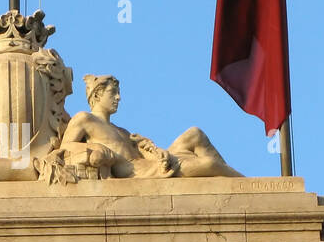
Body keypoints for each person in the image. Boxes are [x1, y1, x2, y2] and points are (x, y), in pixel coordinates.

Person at [55, 74, 241, 179]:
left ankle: (237, 183)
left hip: (154, 163)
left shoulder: (122, 131)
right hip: (140, 173)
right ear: (96, 96)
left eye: (118, 93)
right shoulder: (84, 119)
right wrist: (97, 148)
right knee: (208, 164)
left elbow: (145, 152)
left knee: (195, 133)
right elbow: (65, 149)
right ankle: (243, 184)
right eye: (113, 93)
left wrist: (157, 151)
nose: (118, 97)